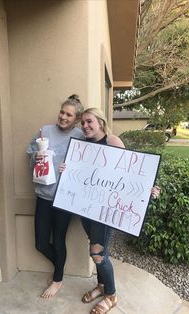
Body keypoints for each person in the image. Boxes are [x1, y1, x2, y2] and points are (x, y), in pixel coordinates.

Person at [60, 107, 160, 313]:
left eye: (90, 122)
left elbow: (131, 173)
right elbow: (80, 174)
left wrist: (148, 188)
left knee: (98, 254)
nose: (85, 126)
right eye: (83, 123)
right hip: (87, 208)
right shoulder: (83, 146)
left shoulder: (112, 141)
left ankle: (111, 295)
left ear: (101, 123)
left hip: (105, 212)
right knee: (95, 249)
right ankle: (101, 285)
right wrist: (66, 170)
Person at [27, 94, 84, 298]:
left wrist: (72, 169)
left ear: (76, 119)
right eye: (62, 112)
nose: (63, 117)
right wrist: (37, 157)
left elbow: (89, 166)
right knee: (41, 243)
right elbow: (30, 153)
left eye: (69, 115)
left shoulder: (80, 136)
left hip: (64, 199)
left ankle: (58, 279)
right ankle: (59, 267)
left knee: (58, 241)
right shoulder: (45, 130)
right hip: (43, 195)